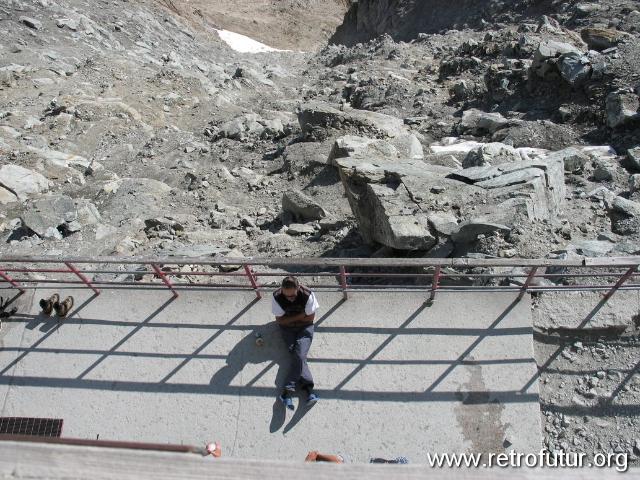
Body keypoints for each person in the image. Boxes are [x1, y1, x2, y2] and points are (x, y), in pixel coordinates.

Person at [271, 275, 319, 410]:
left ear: (298, 288)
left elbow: (309, 319)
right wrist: (300, 316)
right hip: (287, 330)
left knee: (298, 355)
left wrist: (289, 319)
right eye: (286, 296)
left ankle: (287, 392)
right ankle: (308, 391)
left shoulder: (308, 295)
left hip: (305, 328)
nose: (289, 299)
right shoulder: (277, 296)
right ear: (282, 290)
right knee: (298, 355)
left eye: (292, 296)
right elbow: (280, 321)